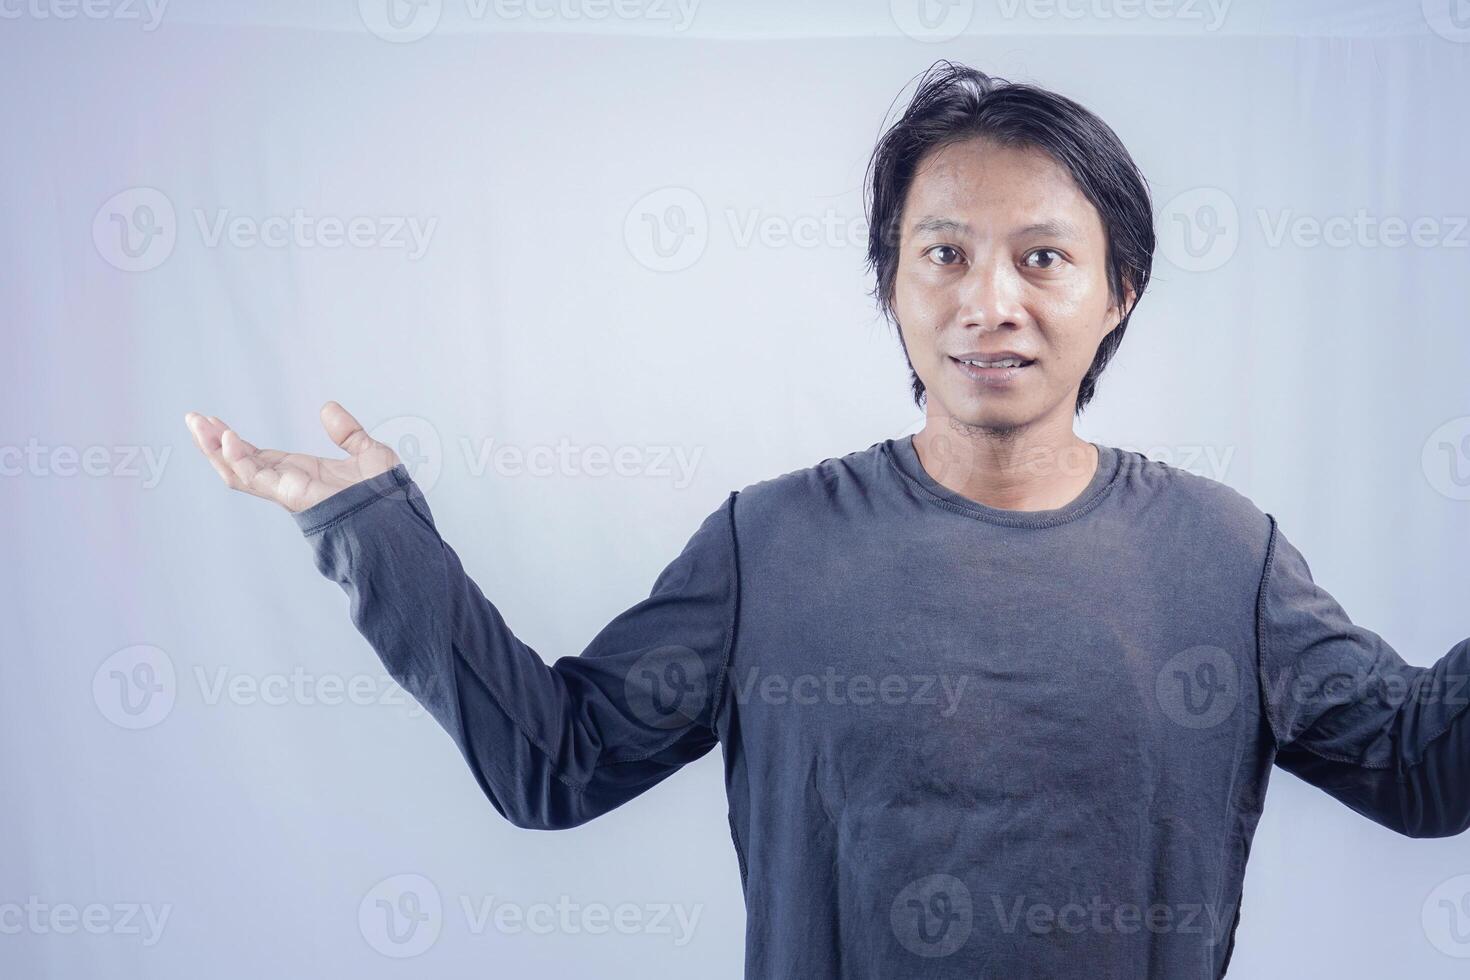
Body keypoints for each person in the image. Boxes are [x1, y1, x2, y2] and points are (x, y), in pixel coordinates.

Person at [183, 61, 1470, 978]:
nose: (990, 302)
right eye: (945, 253)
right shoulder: (773, 544)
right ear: (892, 286)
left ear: (1119, 290)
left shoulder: (1223, 554)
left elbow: (1423, 770)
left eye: (1042, 257)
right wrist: (367, 523)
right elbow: (554, 762)